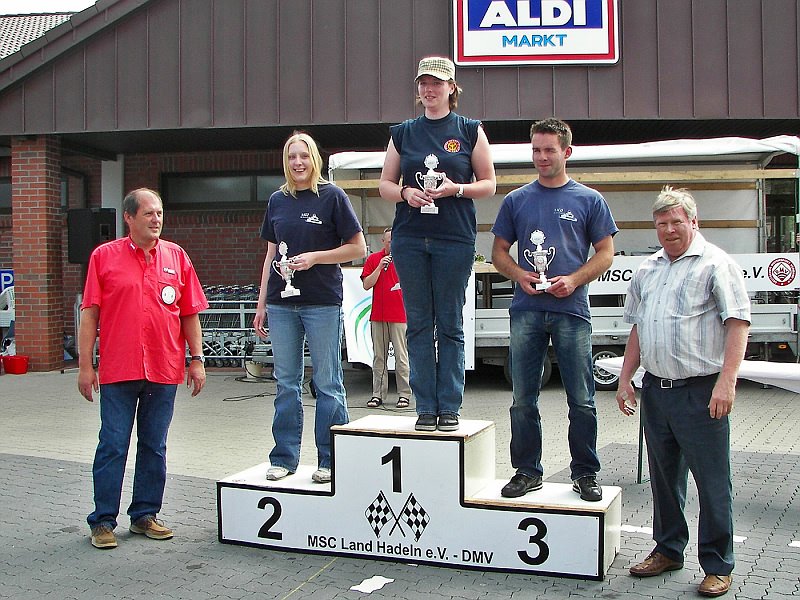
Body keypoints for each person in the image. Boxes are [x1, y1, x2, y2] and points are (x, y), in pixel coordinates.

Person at [616, 187, 750, 598]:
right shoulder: (646, 270)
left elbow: (738, 322)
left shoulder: (716, 264)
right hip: (657, 390)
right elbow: (639, 326)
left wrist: (726, 382)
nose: (669, 229)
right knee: (663, 478)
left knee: (712, 482)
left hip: (701, 390)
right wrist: (626, 378)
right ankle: (669, 549)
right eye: (662, 223)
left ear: (694, 222)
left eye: (677, 221)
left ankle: (717, 564)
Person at [491, 118, 617, 502]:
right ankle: (527, 471)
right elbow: (498, 254)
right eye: (536, 150)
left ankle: (585, 473)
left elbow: (606, 254)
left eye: (549, 150)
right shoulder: (516, 200)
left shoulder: (589, 200)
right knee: (522, 398)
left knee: (581, 397)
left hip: (571, 310)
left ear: (567, 152)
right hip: (526, 309)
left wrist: (575, 280)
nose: (542, 157)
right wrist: (519, 275)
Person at [78, 188, 208, 550]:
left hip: (163, 370)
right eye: (149, 213)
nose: (156, 219)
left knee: (154, 445)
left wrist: (196, 360)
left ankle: (145, 515)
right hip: (119, 370)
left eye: (160, 213)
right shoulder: (103, 258)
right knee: (113, 445)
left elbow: (189, 313)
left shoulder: (176, 256)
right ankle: (103, 521)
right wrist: (85, 366)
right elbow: (90, 314)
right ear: (129, 218)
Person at [378, 56, 496, 432]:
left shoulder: (469, 129)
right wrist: (406, 192)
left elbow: (489, 183)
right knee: (416, 323)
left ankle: (450, 406)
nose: (429, 90)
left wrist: (455, 189)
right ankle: (424, 405)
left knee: (449, 324)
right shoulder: (403, 133)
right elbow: (384, 185)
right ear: (418, 89)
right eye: (424, 83)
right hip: (410, 238)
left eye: (437, 83)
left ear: (452, 89)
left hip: (454, 238)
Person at [253, 132, 366, 484]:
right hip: (281, 304)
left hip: (321, 302)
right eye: (291, 157)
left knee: (327, 382)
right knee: (286, 382)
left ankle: (332, 459)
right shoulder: (277, 200)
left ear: (314, 160)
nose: (298, 163)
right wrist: (261, 305)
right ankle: (284, 458)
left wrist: (317, 258)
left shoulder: (333, 196)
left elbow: (358, 248)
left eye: (304, 156)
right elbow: (272, 254)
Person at [361, 227, 412, 409]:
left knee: (401, 357)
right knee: (379, 358)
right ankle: (378, 394)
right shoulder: (374, 259)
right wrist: (379, 267)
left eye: (395, 240)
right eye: (389, 241)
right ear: (383, 241)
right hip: (379, 316)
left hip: (400, 316)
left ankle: (404, 394)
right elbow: (367, 285)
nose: (392, 243)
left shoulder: (407, 259)